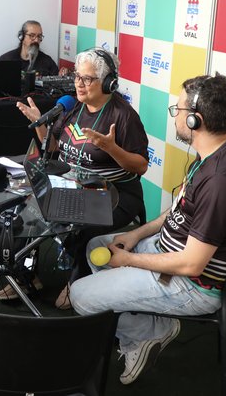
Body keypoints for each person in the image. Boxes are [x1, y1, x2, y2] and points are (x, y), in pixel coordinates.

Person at [69, 73, 226, 386]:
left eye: (179, 110)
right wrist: (136, 234)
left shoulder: (221, 181)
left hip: (190, 285)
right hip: (168, 250)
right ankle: (148, 329)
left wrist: (129, 260)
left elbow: (191, 264)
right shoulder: (221, 151)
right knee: (98, 248)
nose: (175, 116)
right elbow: (179, 209)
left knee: (80, 296)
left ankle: (146, 333)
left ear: (195, 120)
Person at [8, 48, 149, 308]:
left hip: (115, 194)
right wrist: (41, 123)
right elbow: (52, 148)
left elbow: (141, 166)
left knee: (83, 228)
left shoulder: (124, 116)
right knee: (27, 212)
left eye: (87, 79)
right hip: (73, 186)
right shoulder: (73, 107)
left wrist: (111, 148)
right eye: (77, 77)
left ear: (108, 83)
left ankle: (78, 282)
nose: (79, 84)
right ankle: (26, 276)